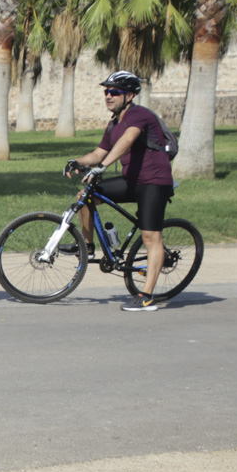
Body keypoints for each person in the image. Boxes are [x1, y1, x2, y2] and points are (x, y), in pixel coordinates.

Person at [64, 71, 174, 312]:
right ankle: (88, 246)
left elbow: (126, 142)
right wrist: (78, 162)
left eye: (115, 92)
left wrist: (101, 168)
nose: (109, 96)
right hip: (131, 180)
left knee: (150, 237)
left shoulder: (139, 115)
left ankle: (146, 296)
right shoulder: (114, 123)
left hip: (154, 182)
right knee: (86, 197)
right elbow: (99, 153)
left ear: (130, 95)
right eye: (106, 91)